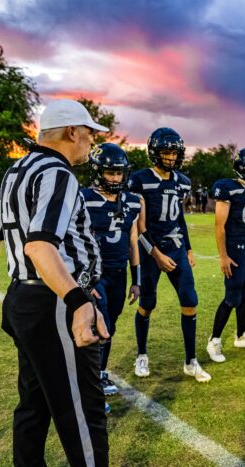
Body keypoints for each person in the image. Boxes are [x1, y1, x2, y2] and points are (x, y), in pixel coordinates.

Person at [0, 99, 110, 466]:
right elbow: (39, 246)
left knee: (34, 405)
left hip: (23, 297)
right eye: (88, 134)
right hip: (52, 302)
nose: (91, 142)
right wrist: (79, 300)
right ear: (72, 131)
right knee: (83, 413)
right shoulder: (58, 173)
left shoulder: (17, 169)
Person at [127, 127, 210, 382]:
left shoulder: (182, 181)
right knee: (147, 304)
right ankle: (141, 354)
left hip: (175, 247)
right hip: (150, 248)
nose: (171, 158)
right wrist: (156, 254)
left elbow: (179, 218)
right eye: (166, 152)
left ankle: (190, 361)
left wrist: (188, 248)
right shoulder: (140, 179)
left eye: (174, 153)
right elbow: (139, 228)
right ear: (154, 153)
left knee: (190, 299)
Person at [82, 143, 141, 403]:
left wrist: (137, 279)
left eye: (119, 173)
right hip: (95, 274)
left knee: (111, 326)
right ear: (97, 172)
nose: (116, 178)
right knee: (99, 324)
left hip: (119, 273)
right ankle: (91, 380)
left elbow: (132, 240)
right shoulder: (83, 198)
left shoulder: (131, 200)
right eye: (110, 173)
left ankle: (101, 372)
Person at [206, 148, 245, 363]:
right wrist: (223, 255)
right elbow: (219, 225)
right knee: (232, 297)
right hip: (236, 247)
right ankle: (214, 340)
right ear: (242, 168)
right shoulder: (228, 188)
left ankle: (241, 335)